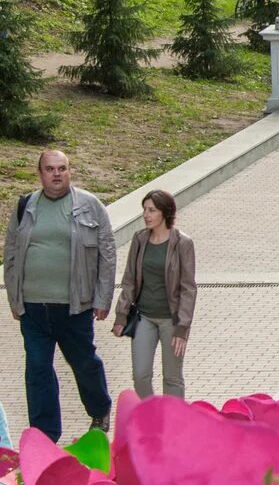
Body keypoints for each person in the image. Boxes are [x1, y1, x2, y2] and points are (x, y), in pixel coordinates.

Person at [3, 150, 114, 442]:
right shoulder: (25, 207)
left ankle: (100, 409)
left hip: (74, 307)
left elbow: (107, 254)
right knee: (38, 370)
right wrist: (15, 299)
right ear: (40, 174)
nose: (56, 174)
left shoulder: (90, 206)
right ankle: (44, 436)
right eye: (50, 169)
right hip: (33, 307)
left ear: (70, 171)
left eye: (62, 168)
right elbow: (11, 253)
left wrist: (102, 299)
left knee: (84, 362)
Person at [111, 189, 196, 399]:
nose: (146, 215)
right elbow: (129, 279)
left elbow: (188, 288)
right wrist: (121, 315)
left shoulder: (182, 243)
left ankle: (173, 425)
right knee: (140, 375)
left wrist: (182, 328)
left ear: (165, 213)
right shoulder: (140, 239)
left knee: (172, 378)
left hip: (172, 320)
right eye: (144, 210)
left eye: (152, 210)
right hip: (144, 318)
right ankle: (150, 418)